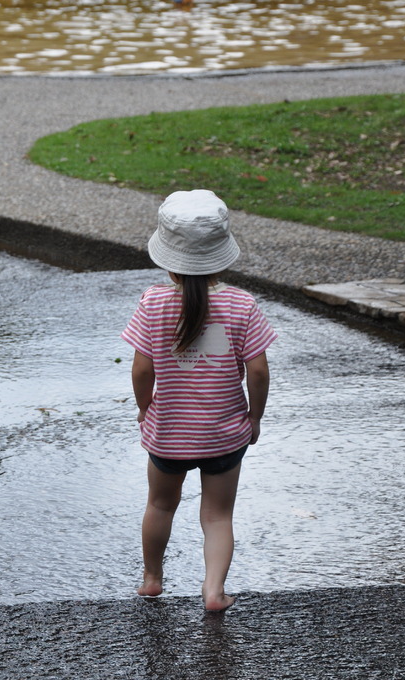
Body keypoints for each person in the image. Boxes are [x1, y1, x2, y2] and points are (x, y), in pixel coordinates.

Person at [121, 189, 276, 611]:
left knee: (159, 504)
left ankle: (152, 578)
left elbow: (141, 369)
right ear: (222, 257)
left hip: (168, 433)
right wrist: (254, 417)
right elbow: (258, 371)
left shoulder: (153, 304)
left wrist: (144, 406)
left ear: (167, 258)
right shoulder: (241, 305)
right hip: (225, 434)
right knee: (218, 516)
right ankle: (213, 591)